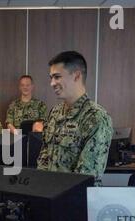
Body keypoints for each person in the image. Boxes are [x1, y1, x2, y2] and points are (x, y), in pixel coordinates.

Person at [36, 51, 112, 185]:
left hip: (75, 200)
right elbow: (44, 157)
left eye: (57, 77)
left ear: (76, 76)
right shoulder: (55, 112)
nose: (52, 83)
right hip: (48, 195)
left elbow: (86, 176)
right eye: (51, 78)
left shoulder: (96, 117)